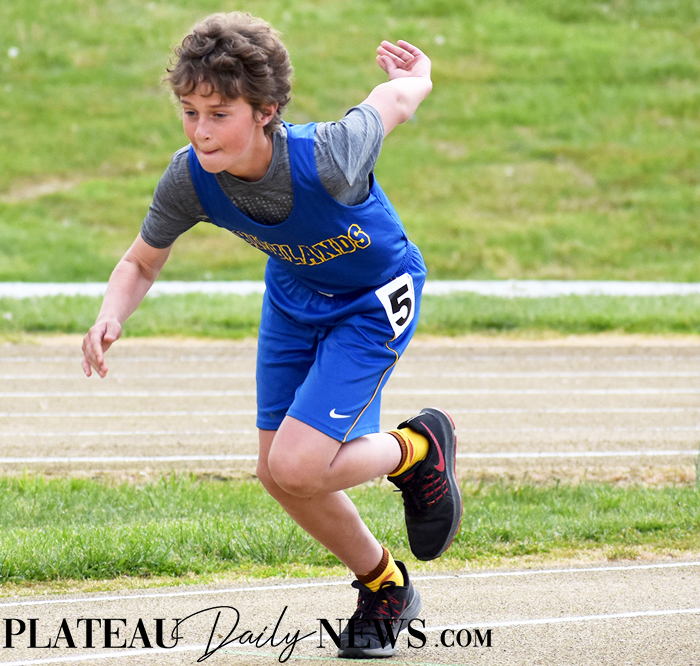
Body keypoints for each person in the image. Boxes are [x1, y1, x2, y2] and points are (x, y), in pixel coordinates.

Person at [81, 12, 462, 659]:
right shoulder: (190, 176)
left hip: (372, 301)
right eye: (189, 111)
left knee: (297, 465)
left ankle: (417, 449)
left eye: (219, 113)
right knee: (277, 475)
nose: (201, 130)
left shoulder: (329, 157)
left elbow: (391, 101)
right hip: (293, 299)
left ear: (266, 111)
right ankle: (385, 586)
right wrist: (110, 314)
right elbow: (141, 261)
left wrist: (417, 76)